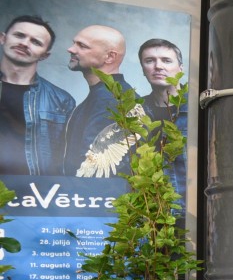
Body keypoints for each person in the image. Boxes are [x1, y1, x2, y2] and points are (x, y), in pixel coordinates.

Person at [61, 24, 141, 177]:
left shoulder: (111, 100)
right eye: (74, 43)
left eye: (82, 46)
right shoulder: (106, 96)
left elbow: (93, 172)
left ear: (110, 57)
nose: (71, 49)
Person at [0, 15, 75, 175]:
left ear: (44, 55)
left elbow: (65, 159)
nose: (24, 43)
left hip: (33, 187)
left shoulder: (61, 101)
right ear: (2, 38)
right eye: (19, 35)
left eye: (35, 42)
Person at [137, 38, 187, 132]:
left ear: (181, 69)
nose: (158, 66)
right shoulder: (135, 109)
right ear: (143, 69)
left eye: (166, 61)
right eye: (149, 61)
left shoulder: (197, 105)